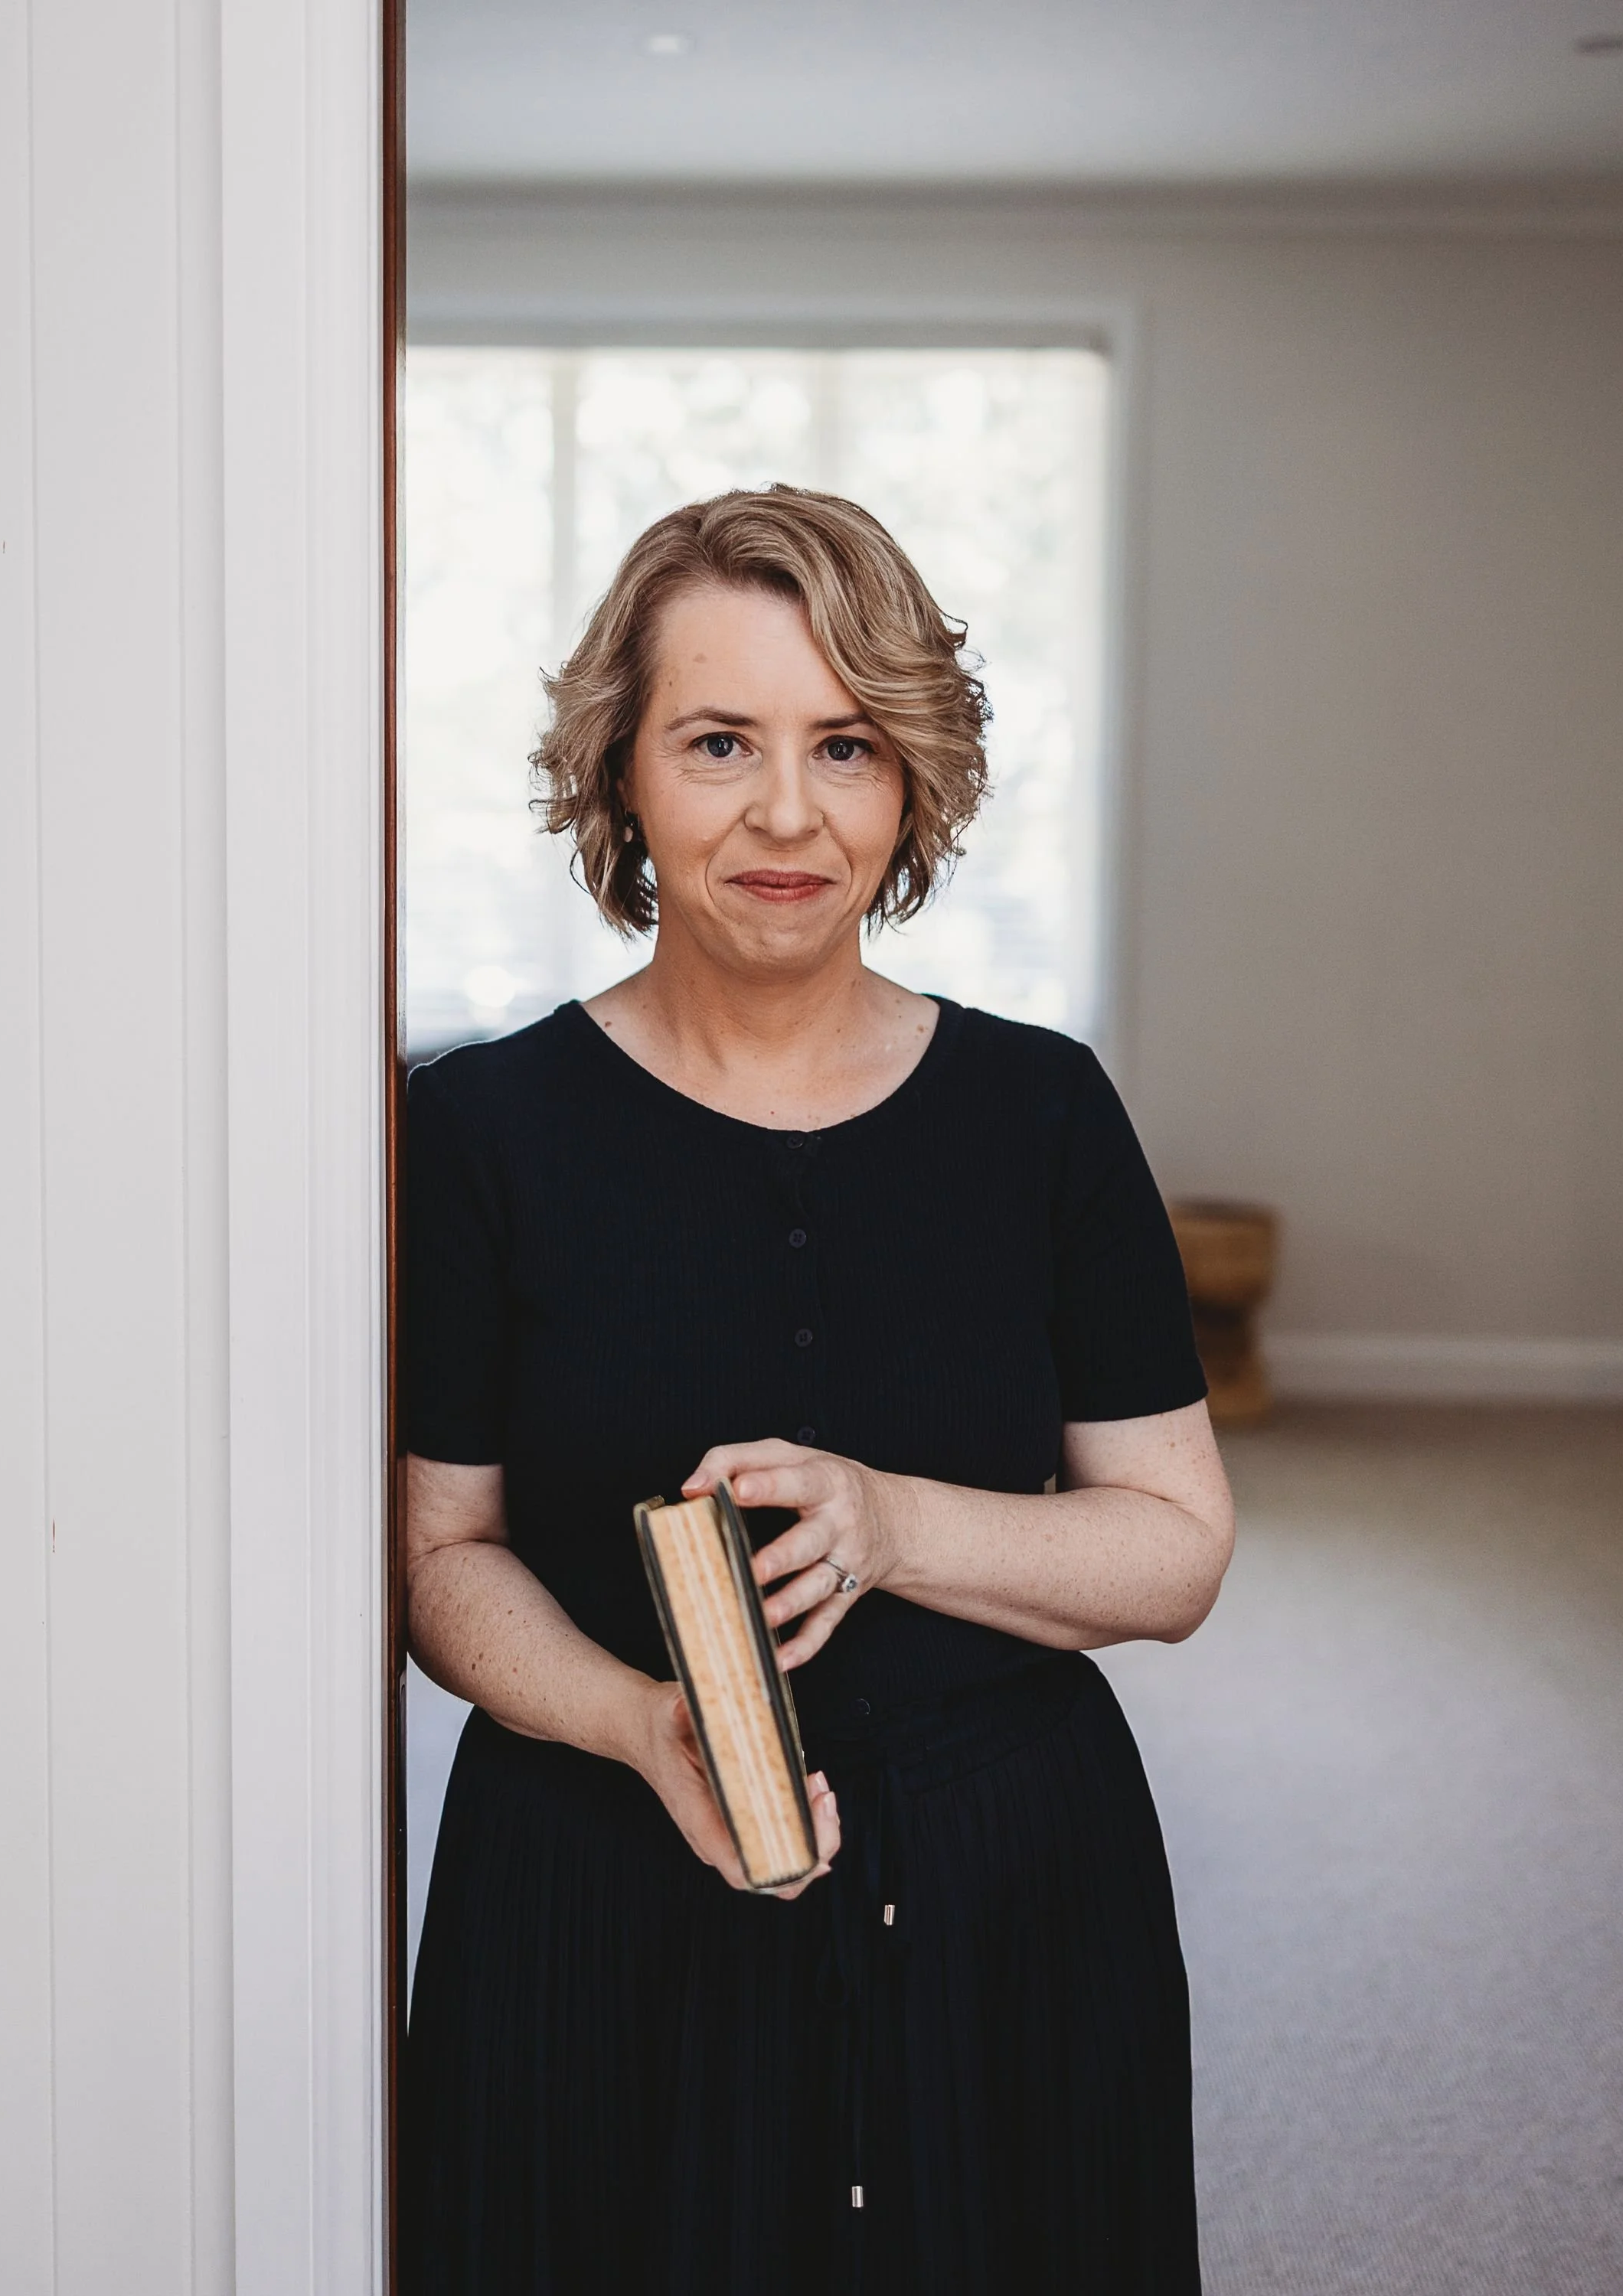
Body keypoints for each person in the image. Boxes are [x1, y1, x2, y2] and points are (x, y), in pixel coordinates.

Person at [400, 484, 1235, 2296]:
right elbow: (443, 1554)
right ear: (622, 773)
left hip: (1011, 1893)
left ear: (912, 781)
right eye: (720, 742)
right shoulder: (475, 1129)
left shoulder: (1045, 1113)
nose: (789, 812)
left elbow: (1176, 1554)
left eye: (846, 745)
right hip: (596, 1895)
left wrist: (892, 1522)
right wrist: (642, 1725)